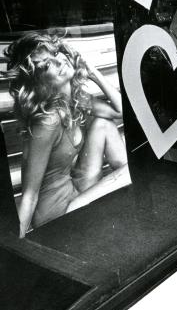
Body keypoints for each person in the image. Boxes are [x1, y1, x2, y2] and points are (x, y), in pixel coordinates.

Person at [5, 33, 128, 237]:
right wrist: (16, 246)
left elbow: (121, 112)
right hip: (56, 214)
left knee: (103, 124)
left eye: (54, 53)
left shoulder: (75, 100)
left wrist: (94, 74)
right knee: (132, 171)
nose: (58, 61)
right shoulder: (48, 121)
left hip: (74, 193)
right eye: (45, 65)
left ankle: (120, 209)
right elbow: (29, 194)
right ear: (41, 83)